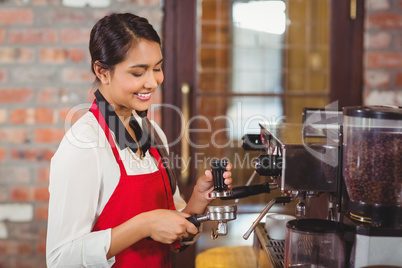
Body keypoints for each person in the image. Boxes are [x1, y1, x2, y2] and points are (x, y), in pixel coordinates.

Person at [46, 13, 233, 267]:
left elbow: (170, 232)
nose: (153, 81)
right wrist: (145, 224)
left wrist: (197, 203)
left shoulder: (153, 133)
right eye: (138, 72)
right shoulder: (84, 143)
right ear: (102, 72)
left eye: (157, 68)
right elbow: (60, 259)